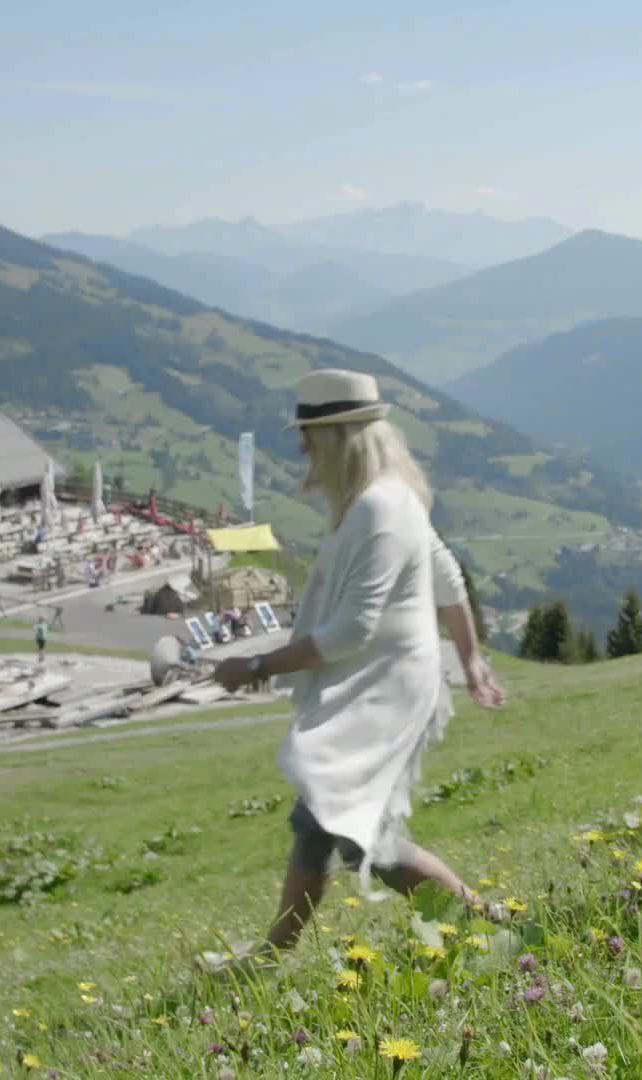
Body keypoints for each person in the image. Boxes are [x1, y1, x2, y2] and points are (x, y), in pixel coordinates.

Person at [203, 368, 504, 975]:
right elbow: (445, 576)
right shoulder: (390, 496)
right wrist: (469, 658)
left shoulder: (376, 509)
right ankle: (269, 957)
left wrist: (257, 665)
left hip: (382, 692)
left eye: (310, 436)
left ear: (338, 439)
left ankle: (484, 922)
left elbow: (348, 633)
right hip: (385, 683)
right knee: (321, 823)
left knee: (364, 840)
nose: (303, 449)